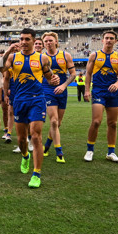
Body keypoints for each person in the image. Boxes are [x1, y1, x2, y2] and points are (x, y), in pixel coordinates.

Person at [0, 28, 59, 188]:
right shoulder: (13, 57)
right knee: (21, 139)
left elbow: (49, 76)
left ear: (33, 41)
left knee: (35, 135)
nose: (23, 42)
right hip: (19, 101)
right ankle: (25, 156)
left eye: (27, 39)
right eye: (21, 39)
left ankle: (36, 173)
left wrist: (54, 79)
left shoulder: (43, 58)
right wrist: (7, 51)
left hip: (37, 101)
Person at [84, 30, 118, 163]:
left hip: (113, 93)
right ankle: (90, 150)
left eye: (111, 38)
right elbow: (88, 74)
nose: (108, 40)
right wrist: (87, 90)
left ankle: (111, 152)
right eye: (106, 38)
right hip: (98, 91)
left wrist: (117, 83)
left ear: (115, 41)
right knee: (96, 121)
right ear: (102, 40)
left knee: (113, 123)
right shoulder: (94, 55)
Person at [41, 32, 76, 164]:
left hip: (62, 90)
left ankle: (47, 146)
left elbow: (73, 74)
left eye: (50, 40)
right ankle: (59, 152)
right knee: (54, 121)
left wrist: (63, 85)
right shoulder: (41, 57)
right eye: (46, 41)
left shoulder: (65, 55)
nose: (48, 43)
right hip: (48, 90)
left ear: (56, 41)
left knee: (58, 123)